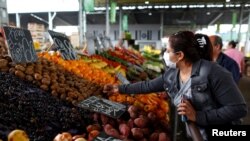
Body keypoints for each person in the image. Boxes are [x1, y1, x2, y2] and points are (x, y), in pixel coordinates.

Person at [103, 31, 247, 141]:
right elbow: (148, 85)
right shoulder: (173, 74)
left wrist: (198, 116)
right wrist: (118, 88)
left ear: (180, 55)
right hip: (191, 134)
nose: (165, 54)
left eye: (168, 50)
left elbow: (238, 109)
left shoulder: (214, 73)